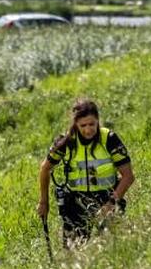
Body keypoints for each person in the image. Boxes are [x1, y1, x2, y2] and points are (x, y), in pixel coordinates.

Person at [37, 99, 136, 245]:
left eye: (92, 124)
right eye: (83, 125)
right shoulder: (67, 141)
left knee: (112, 248)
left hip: (107, 197)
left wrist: (111, 203)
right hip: (75, 203)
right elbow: (45, 169)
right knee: (73, 254)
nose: (88, 130)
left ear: (98, 121)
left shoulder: (109, 139)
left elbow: (128, 176)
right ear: (75, 124)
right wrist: (44, 202)